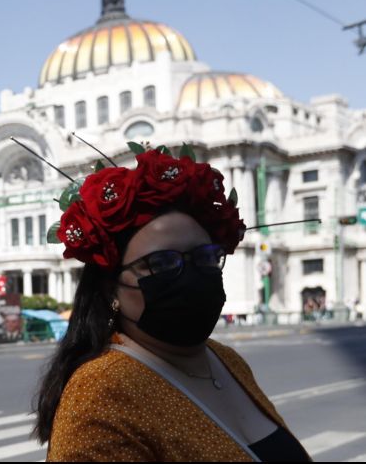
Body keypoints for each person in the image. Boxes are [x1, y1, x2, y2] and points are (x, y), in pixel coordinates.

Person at [33, 146, 310, 462]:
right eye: (161, 263)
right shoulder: (101, 392)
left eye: (206, 257)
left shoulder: (225, 360)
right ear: (111, 288)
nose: (191, 274)